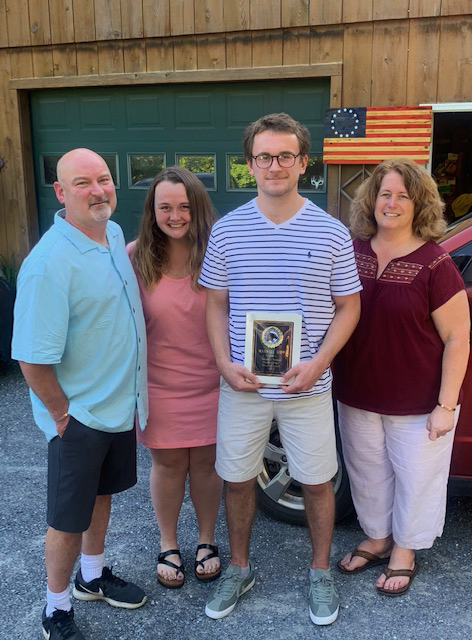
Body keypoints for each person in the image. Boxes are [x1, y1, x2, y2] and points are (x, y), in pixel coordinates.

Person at [198, 113, 362, 625]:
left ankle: (320, 571)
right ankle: (239, 568)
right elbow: (215, 303)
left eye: (285, 155)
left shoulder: (331, 232)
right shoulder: (227, 231)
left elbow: (349, 306)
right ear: (250, 164)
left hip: (307, 386)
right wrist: (223, 363)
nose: (275, 165)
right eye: (264, 156)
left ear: (303, 163)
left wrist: (319, 363)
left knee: (317, 481)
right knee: (237, 479)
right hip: (243, 385)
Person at [12, 149, 149, 640]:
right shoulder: (48, 264)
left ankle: (92, 577)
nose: (97, 190)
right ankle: (56, 609)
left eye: (104, 179)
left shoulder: (111, 234)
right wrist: (61, 414)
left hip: (117, 406)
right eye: (83, 183)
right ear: (60, 192)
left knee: (100, 496)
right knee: (67, 519)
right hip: (79, 415)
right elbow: (32, 357)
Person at [333, 158, 470, 596]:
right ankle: (377, 538)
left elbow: (457, 338)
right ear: (371, 200)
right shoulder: (351, 251)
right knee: (367, 473)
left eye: (403, 196)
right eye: (384, 194)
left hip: (418, 401)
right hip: (356, 392)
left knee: (416, 478)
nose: (391, 204)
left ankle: (405, 550)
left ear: (419, 204)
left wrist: (446, 405)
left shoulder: (435, 263)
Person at [128, 166, 223, 588]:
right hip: (158, 386)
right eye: (165, 207)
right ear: (153, 211)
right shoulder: (134, 258)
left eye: (184, 206)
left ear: (198, 208)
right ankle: (168, 543)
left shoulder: (219, 253)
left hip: (213, 384)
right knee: (167, 464)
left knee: (205, 464)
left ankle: (206, 540)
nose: (175, 216)